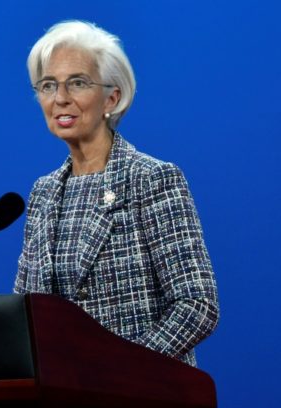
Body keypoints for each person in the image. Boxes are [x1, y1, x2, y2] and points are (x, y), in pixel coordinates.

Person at [14, 20, 219, 367]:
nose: (60, 98)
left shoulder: (151, 179)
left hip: (140, 386)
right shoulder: (43, 193)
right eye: (48, 85)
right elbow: (25, 311)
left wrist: (122, 368)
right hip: (60, 388)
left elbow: (197, 304)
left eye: (77, 83)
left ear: (112, 97)